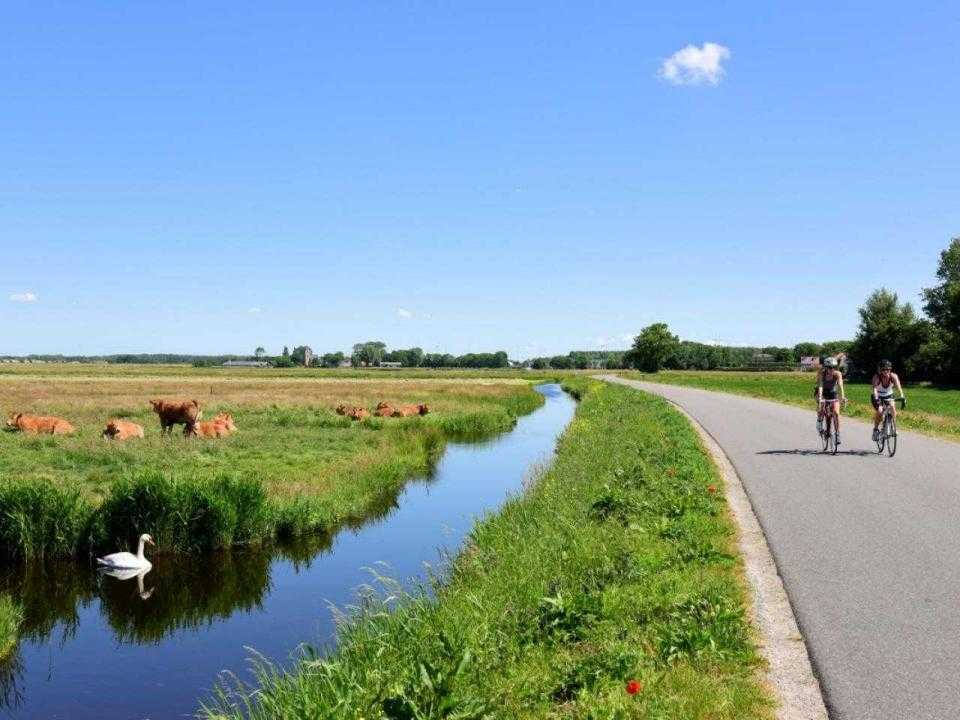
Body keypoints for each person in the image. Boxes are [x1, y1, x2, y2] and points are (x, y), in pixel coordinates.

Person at [871, 360, 906, 441]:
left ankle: (893, 427)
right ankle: (875, 430)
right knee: (880, 411)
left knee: (892, 407)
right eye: (884, 369)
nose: (886, 371)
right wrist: (876, 398)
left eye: (888, 369)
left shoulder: (893, 376)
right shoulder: (876, 377)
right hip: (878, 396)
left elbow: (898, 387)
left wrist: (902, 396)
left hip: (889, 395)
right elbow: (875, 389)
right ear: (880, 370)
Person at [817, 357, 846, 445]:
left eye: (834, 367)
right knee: (821, 409)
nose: (832, 369)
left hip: (833, 393)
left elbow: (840, 384)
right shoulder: (822, 373)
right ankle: (819, 421)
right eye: (830, 367)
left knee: (836, 413)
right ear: (826, 367)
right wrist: (820, 397)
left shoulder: (837, 374)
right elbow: (821, 385)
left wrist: (843, 396)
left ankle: (837, 434)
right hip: (824, 393)